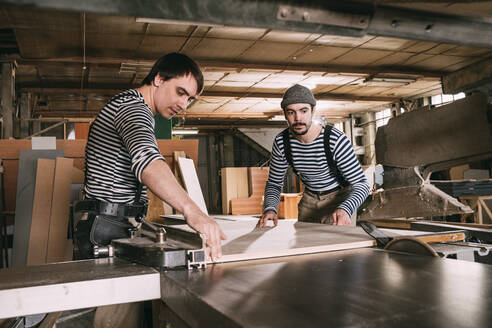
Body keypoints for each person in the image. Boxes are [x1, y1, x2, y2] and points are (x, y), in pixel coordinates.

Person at [257, 84, 370, 228]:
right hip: (309, 199)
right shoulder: (282, 142)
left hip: (339, 200)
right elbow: (274, 183)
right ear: (285, 114)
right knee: (304, 244)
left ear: (313, 111)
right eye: (291, 112)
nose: (298, 118)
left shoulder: (335, 140)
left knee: (335, 247)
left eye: (303, 111)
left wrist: (346, 209)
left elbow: (361, 185)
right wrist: (270, 209)